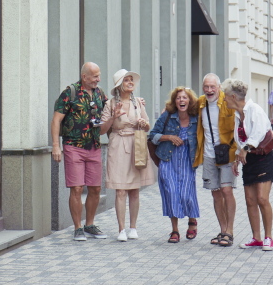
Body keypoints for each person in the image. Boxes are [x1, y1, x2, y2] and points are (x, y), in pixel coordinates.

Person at [51, 62, 108, 241]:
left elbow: (110, 110)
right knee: (76, 188)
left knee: (96, 188)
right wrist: (55, 146)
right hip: (73, 146)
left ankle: (90, 224)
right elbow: (56, 120)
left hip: (94, 146)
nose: (98, 79)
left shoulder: (100, 93)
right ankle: (77, 228)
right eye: (95, 76)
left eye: (99, 76)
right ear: (84, 77)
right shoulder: (70, 92)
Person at [222, 78, 273, 251]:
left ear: (233, 96)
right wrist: (237, 159)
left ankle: (269, 237)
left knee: (262, 199)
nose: (224, 99)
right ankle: (256, 237)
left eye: (225, 96)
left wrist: (245, 149)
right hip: (248, 159)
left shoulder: (254, 109)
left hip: (262, 157)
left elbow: (260, 131)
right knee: (250, 200)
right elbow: (240, 140)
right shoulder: (238, 115)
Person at [100, 69, 156, 242]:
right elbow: (101, 130)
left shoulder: (137, 103)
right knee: (120, 190)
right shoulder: (110, 104)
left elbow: (148, 127)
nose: (131, 83)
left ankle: (133, 227)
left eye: (132, 80)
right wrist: (112, 118)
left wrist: (142, 123)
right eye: (127, 80)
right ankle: (121, 229)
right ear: (119, 85)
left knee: (134, 190)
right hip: (118, 145)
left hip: (136, 144)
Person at [149, 87, 199, 243]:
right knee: (170, 193)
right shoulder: (167, 116)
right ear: (174, 101)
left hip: (187, 161)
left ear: (190, 101)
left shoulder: (196, 118)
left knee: (186, 195)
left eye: (184, 98)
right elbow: (152, 135)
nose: (181, 100)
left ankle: (192, 221)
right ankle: (174, 230)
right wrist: (169, 137)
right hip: (168, 160)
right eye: (178, 98)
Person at [193, 73, 238, 247]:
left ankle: (230, 230)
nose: (210, 90)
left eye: (213, 86)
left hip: (227, 152)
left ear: (219, 87)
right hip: (209, 154)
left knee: (227, 190)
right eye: (206, 87)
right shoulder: (200, 103)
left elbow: (238, 124)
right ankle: (222, 229)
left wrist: (238, 155)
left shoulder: (227, 102)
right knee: (215, 192)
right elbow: (182, 106)